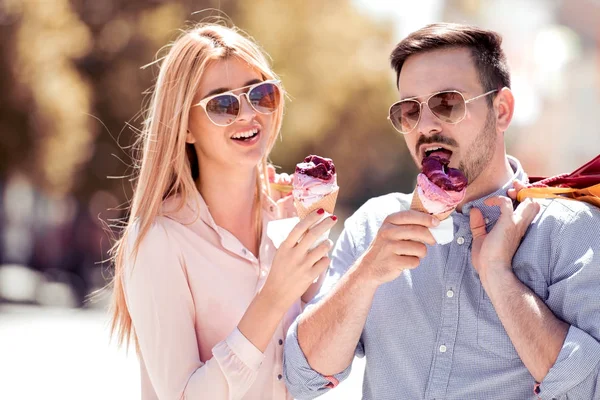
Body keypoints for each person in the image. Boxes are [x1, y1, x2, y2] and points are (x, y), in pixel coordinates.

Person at [283, 23, 600, 400]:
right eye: (409, 111)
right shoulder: (373, 225)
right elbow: (303, 379)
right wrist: (365, 275)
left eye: (447, 103)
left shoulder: (570, 232)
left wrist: (500, 278)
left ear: (501, 111)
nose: (426, 126)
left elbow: (589, 390)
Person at [108, 23, 337, 400]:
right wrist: (274, 295)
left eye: (260, 94)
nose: (248, 114)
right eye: (222, 104)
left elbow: (319, 370)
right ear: (184, 128)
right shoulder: (158, 241)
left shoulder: (285, 221)